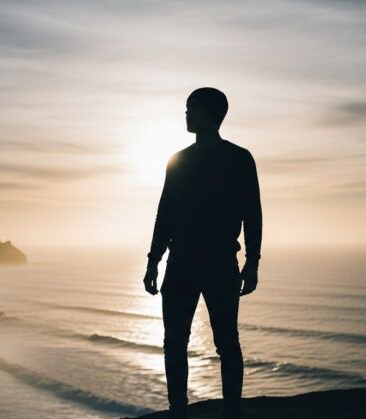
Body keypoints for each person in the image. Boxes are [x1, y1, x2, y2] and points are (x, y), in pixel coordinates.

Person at [143, 87, 263, 419]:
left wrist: (252, 262)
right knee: (175, 342)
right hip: (180, 261)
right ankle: (177, 409)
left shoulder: (238, 158)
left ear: (210, 114)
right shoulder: (178, 160)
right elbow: (164, 213)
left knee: (227, 343)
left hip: (220, 262)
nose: (186, 114)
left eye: (191, 109)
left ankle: (231, 412)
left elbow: (252, 212)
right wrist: (153, 260)